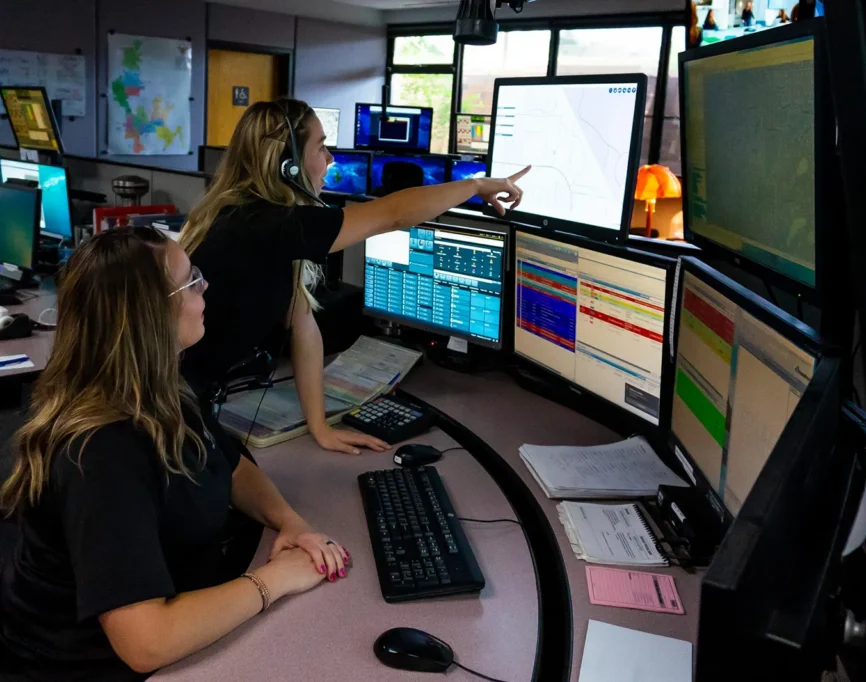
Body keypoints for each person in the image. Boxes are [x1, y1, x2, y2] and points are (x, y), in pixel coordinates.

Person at [0, 228, 347, 680]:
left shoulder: (160, 388)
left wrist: (290, 522)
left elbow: (230, 463)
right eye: (193, 280)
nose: (207, 287)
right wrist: (277, 579)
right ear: (151, 313)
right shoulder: (104, 454)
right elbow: (145, 642)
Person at [179, 99, 529, 455]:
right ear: (289, 165)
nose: (330, 159)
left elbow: (304, 328)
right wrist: (475, 186)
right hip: (169, 403)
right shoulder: (267, 224)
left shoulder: (243, 215)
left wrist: (320, 427)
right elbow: (392, 214)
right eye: (321, 146)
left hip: (182, 396)